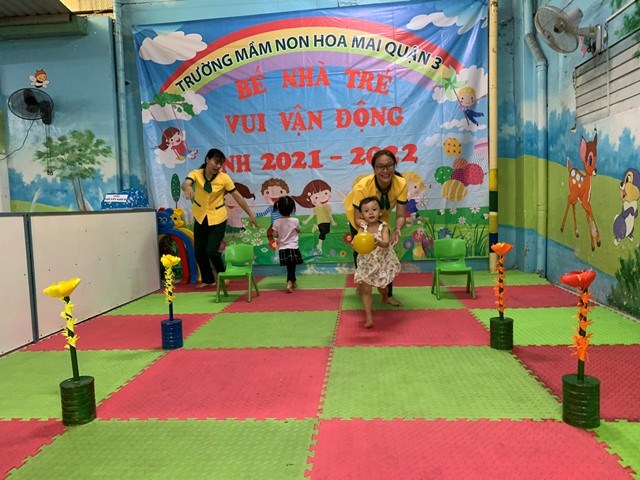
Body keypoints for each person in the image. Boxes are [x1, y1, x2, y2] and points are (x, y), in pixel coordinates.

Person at [181, 148, 258, 287]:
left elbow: (238, 197)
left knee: (211, 250)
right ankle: (208, 280)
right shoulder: (196, 174)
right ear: (207, 159)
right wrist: (187, 187)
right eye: (216, 162)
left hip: (218, 218)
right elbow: (186, 183)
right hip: (200, 217)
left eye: (220, 164)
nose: (218, 166)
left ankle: (224, 274)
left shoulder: (224, 178)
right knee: (199, 252)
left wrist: (251, 215)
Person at [343, 149, 407, 306]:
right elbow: (358, 217)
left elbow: (400, 215)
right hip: (360, 218)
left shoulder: (401, 183)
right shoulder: (362, 186)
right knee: (361, 251)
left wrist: (397, 229)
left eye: (389, 166)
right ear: (374, 168)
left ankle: (388, 294)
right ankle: (363, 282)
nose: (385, 171)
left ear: (394, 166)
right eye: (380, 167)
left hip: (382, 216)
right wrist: (366, 230)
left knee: (386, 253)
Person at [353, 197, 401, 328]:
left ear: (380, 212)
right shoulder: (362, 228)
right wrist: (355, 244)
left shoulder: (383, 227)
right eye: (366, 211)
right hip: (367, 264)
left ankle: (384, 294)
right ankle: (369, 318)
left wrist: (378, 242)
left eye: (374, 209)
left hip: (381, 262)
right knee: (366, 290)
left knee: (382, 287)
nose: (371, 213)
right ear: (361, 215)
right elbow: (357, 242)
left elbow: (386, 243)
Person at [272, 196, 303, 293]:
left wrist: (277, 232)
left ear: (279, 209)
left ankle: (293, 281)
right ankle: (290, 282)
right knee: (292, 266)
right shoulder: (295, 220)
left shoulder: (276, 222)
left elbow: (275, 235)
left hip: (283, 248)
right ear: (292, 208)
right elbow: (298, 230)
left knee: (290, 266)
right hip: (293, 247)